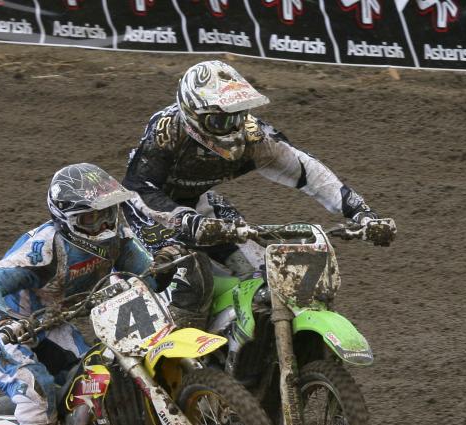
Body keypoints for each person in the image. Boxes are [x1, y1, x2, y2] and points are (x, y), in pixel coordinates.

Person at [0, 163, 179, 425]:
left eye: (106, 215)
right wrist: (2, 319)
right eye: (89, 219)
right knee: (37, 389)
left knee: (101, 378)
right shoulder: (45, 247)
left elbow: (148, 277)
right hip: (5, 327)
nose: (101, 226)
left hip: (53, 324)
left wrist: (165, 265)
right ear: (66, 219)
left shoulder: (118, 239)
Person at [123, 59, 397, 277]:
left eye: (238, 115)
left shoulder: (253, 137)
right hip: (148, 213)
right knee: (189, 279)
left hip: (198, 205)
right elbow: (139, 188)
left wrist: (362, 213)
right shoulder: (168, 132)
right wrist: (187, 221)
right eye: (220, 120)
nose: (232, 128)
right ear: (194, 114)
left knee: (265, 270)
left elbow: (307, 171)